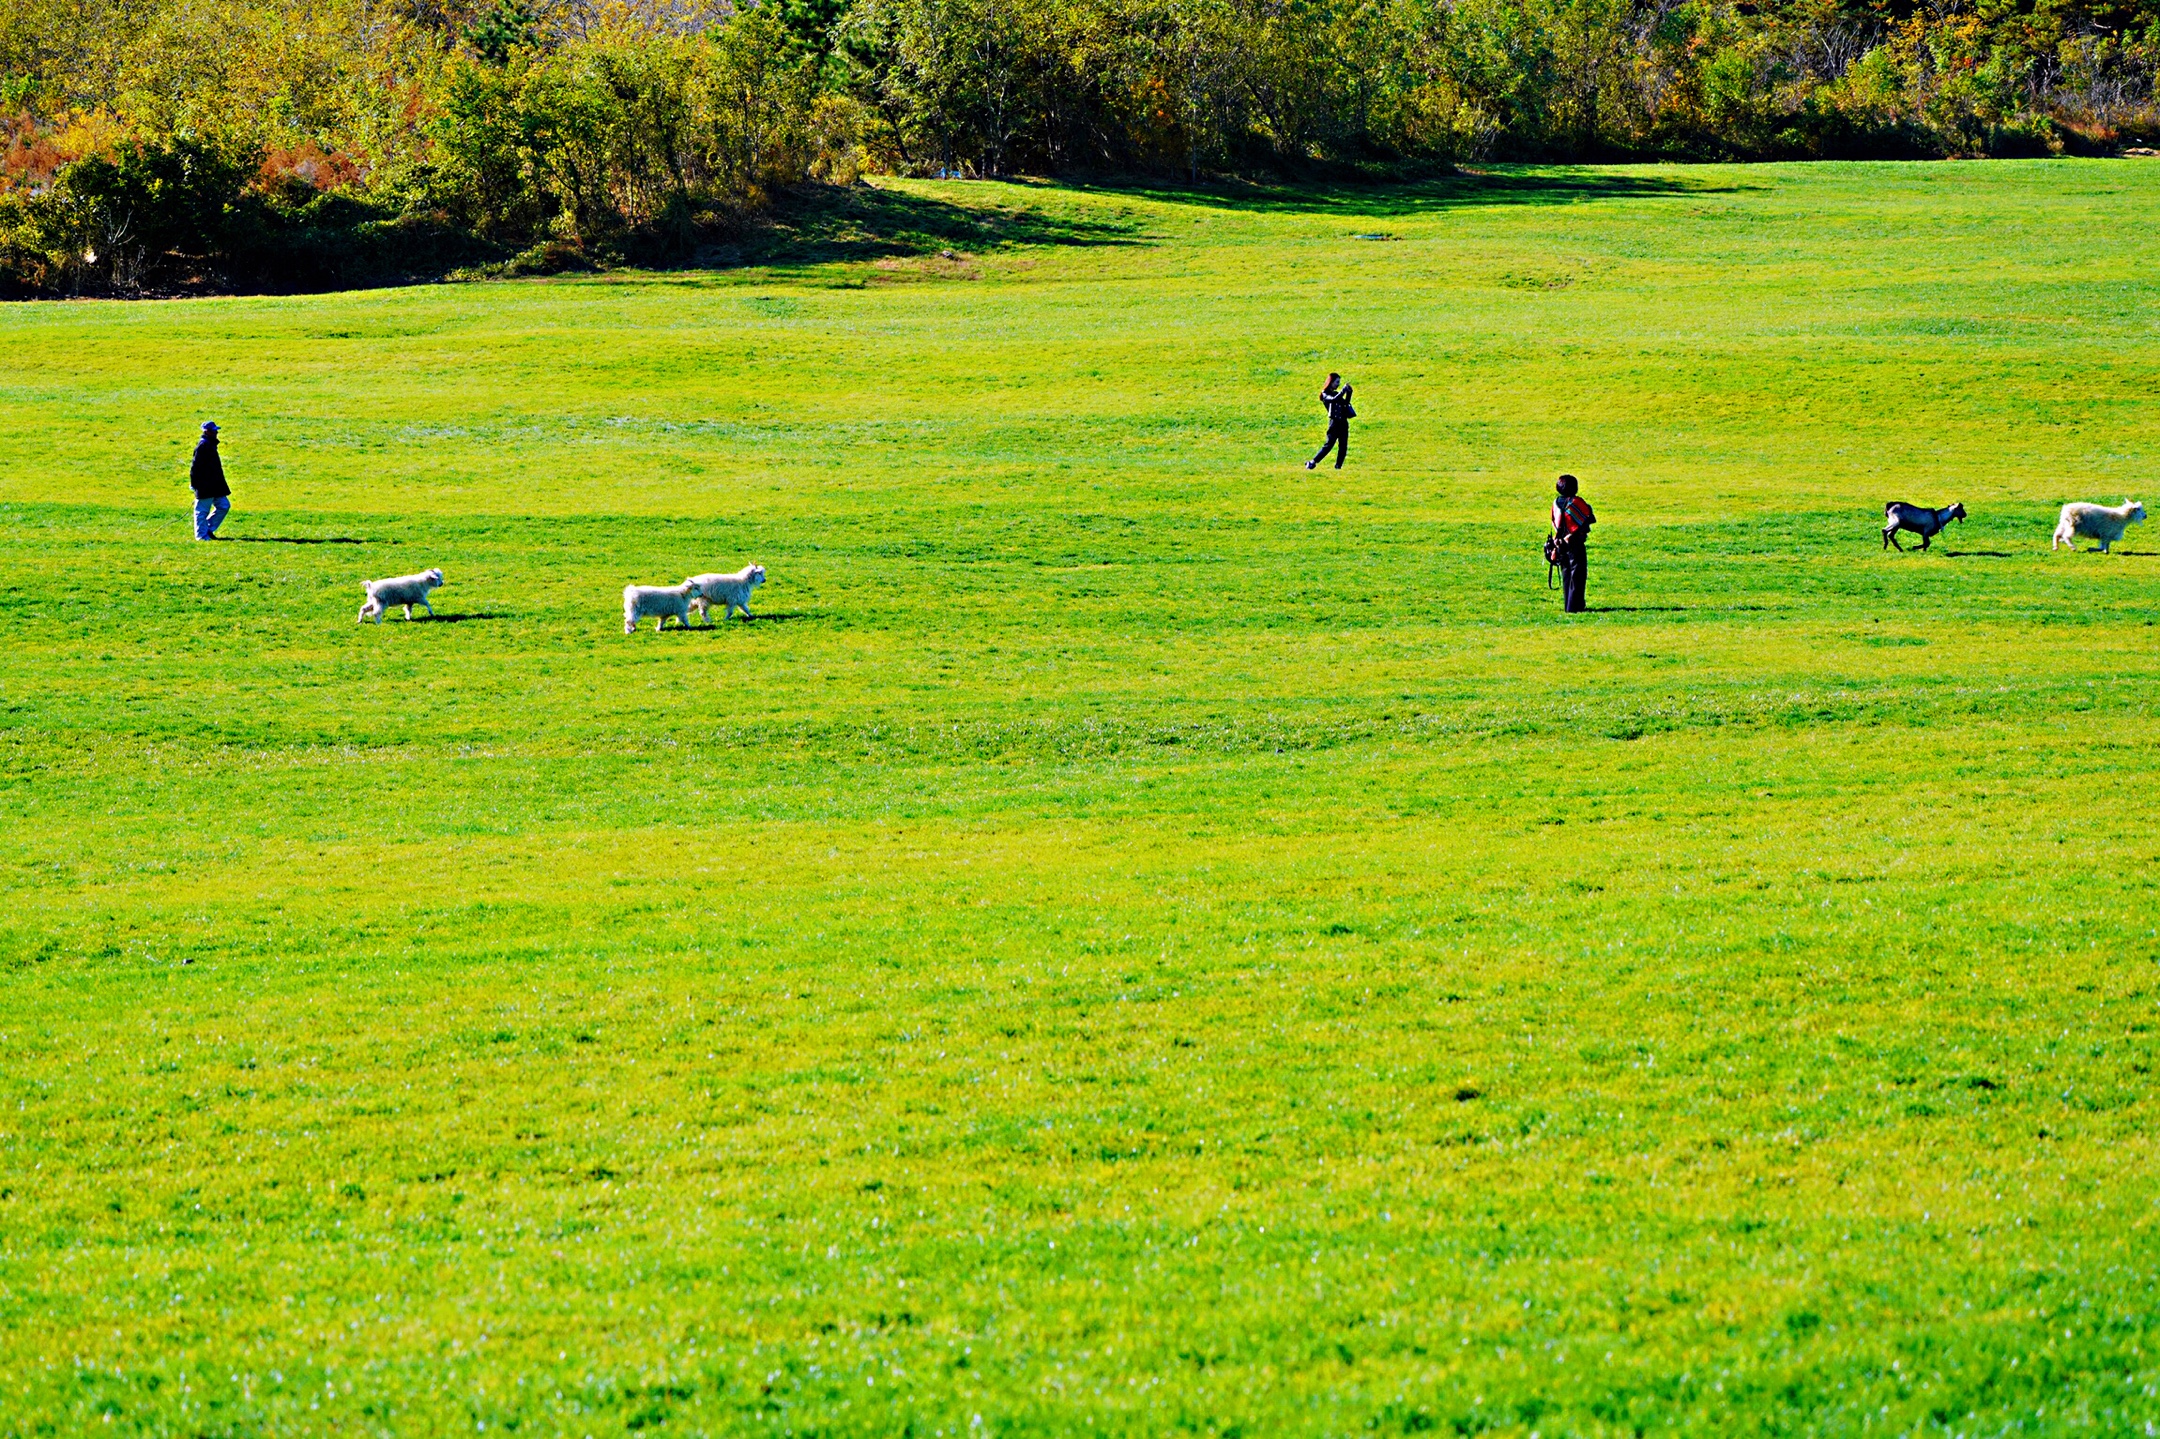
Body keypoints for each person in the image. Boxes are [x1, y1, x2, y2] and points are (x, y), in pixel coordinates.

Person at [1549, 473, 1595, 613]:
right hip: (1574, 542)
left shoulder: (1556, 503)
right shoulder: (1576, 502)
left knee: (1566, 574)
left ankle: (1568, 605)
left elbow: (1554, 521)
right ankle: (1575, 606)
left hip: (1560, 544)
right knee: (1578, 575)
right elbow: (1587, 516)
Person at [1305, 373, 1355, 471]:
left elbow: (1345, 403)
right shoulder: (1325, 393)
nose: (1338, 384)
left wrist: (1349, 393)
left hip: (1343, 422)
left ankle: (1338, 467)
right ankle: (1312, 462)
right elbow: (1332, 400)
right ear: (1331, 382)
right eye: (1336, 382)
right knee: (1328, 445)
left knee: (1343, 447)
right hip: (1334, 423)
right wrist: (1343, 391)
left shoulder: (1336, 393)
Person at [190, 421, 230, 540]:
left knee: (224, 506)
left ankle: (208, 529)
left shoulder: (209, 444)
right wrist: (195, 484)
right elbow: (195, 467)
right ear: (206, 431)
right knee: (202, 511)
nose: (216, 432)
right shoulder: (203, 446)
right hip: (205, 485)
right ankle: (201, 536)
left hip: (216, 485)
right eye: (214, 430)